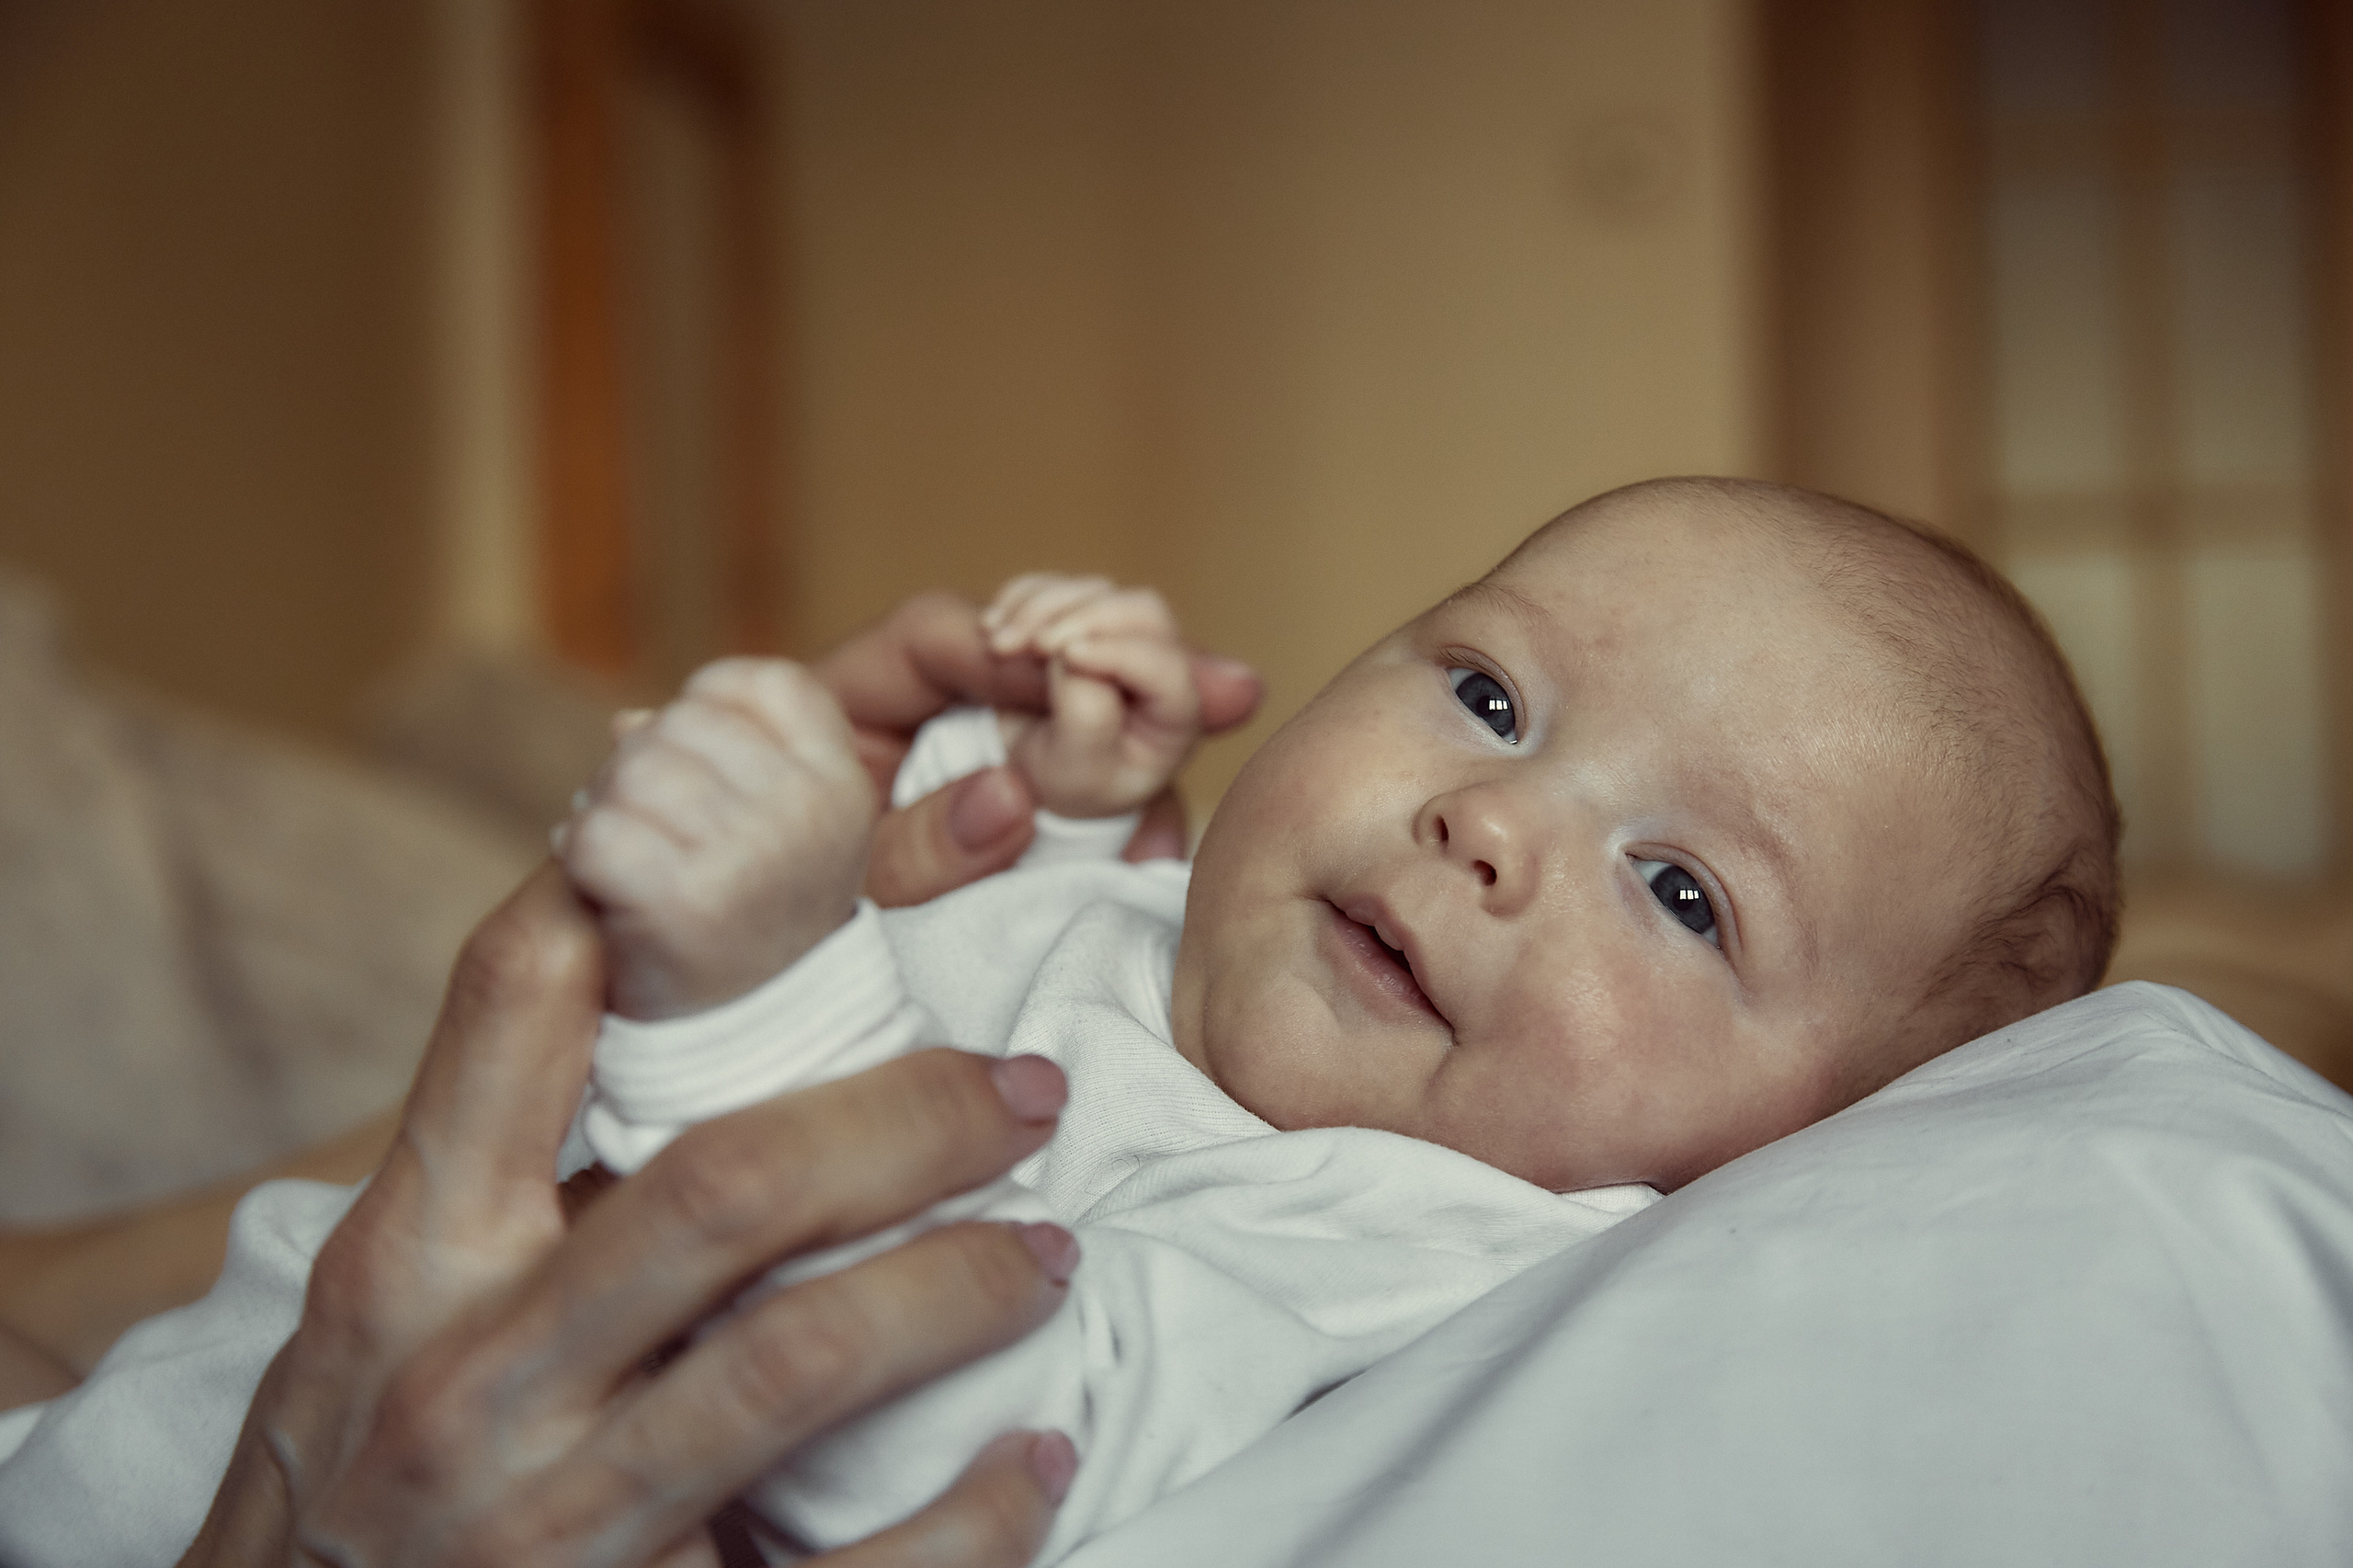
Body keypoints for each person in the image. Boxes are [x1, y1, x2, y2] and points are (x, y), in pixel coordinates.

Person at [543, 476, 2120, 1560]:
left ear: (1802, 1154)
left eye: (1683, 892)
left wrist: (747, 1007)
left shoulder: (1428, 1265)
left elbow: (943, 1445)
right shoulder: (1197, 929)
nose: (1489, 816)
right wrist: (1034, 799)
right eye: (1490, 697)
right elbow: (1016, 964)